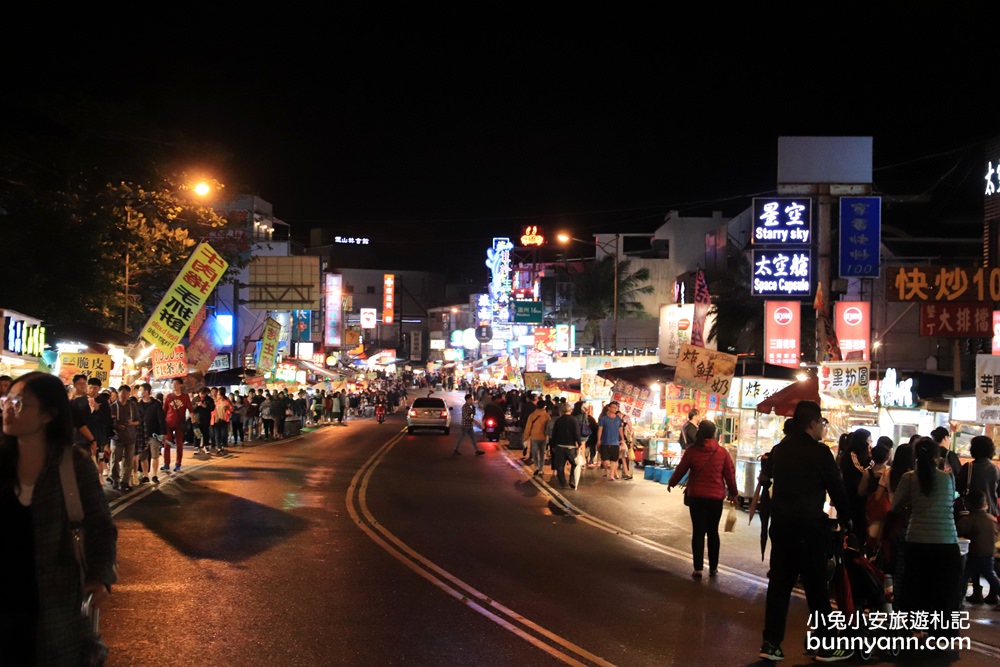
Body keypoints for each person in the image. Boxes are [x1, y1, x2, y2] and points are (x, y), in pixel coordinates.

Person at [0, 371, 118, 665]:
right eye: (7, 400)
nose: (8, 409)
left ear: (48, 415)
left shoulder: (73, 466)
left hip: (55, 608)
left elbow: (101, 526)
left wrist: (100, 576)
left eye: (19, 403)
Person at [758, 401, 851, 663]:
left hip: (782, 526)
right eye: (822, 423)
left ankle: (771, 643)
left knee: (779, 585)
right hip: (809, 528)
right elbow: (837, 489)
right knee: (816, 587)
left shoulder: (780, 450)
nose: (823, 428)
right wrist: (848, 518)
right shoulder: (820, 454)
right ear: (812, 423)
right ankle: (826, 645)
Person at [891, 437, 962, 641]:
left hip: (917, 541)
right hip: (947, 541)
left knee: (916, 587)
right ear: (936, 456)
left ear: (916, 456)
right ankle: (944, 633)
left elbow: (894, 506)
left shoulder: (908, 478)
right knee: (945, 590)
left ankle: (916, 629)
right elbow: (951, 501)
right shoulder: (948, 478)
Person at [667, 419, 738, 578]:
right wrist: (734, 494)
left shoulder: (693, 451)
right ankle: (713, 567)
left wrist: (672, 482)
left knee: (698, 532)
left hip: (697, 497)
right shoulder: (722, 452)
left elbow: (681, 469)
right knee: (713, 532)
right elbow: (729, 475)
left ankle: (698, 568)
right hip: (715, 498)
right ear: (714, 433)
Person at [957, 489, 1000, 606]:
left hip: (975, 554)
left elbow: (959, 530)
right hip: (989, 554)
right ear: (984, 503)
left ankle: (958, 600)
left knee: (964, 577)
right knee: (991, 577)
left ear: (969, 504)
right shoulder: (991, 518)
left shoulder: (970, 519)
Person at [839, 428, 873, 547]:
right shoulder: (851, 455)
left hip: (860, 499)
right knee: (855, 530)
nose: (871, 444)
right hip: (852, 498)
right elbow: (860, 470)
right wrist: (872, 466)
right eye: (869, 440)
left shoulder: (864, 456)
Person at [109, 384, 141, 492]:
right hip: (116, 437)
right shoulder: (113, 406)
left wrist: (131, 423)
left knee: (128, 461)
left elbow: (138, 421)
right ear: (118, 393)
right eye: (122, 393)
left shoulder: (132, 406)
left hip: (130, 437)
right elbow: (109, 422)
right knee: (115, 460)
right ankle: (115, 480)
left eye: (127, 393)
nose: (124, 395)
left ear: (129, 394)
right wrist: (116, 426)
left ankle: (125, 481)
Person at [549, 401, 584, 489]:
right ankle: (572, 480)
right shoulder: (573, 420)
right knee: (574, 463)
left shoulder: (558, 421)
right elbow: (576, 433)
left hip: (560, 446)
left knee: (560, 466)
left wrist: (552, 445)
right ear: (570, 410)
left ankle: (562, 482)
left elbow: (554, 434)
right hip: (571, 447)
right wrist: (579, 443)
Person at [137, 382, 166, 484]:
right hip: (142, 435)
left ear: (146, 391)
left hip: (154, 433)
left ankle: (154, 475)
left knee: (155, 455)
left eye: (140, 390)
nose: (139, 392)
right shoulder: (138, 404)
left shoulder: (156, 404)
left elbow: (161, 419)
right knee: (143, 456)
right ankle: (145, 475)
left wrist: (163, 433)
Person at [162, 378, 193, 472]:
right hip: (168, 423)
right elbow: (164, 410)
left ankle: (178, 464)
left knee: (179, 444)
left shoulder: (185, 397)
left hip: (180, 424)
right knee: (167, 444)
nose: (174, 386)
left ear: (180, 385)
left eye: (176, 384)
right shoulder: (168, 397)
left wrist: (193, 420)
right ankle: (166, 464)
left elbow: (191, 410)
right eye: (173, 384)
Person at [597, 401, 625, 482]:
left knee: (614, 460)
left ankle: (611, 475)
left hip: (615, 442)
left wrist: (622, 439)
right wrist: (599, 440)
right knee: (605, 461)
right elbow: (600, 429)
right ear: (609, 408)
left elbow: (620, 430)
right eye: (613, 407)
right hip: (605, 442)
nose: (614, 409)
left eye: (616, 408)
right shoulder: (603, 418)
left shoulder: (618, 419)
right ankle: (608, 470)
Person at [524, 398, 551, 477]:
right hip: (543, 437)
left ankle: (536, 467)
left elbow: (528, 427)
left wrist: (525, 438)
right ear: (544, 407)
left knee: (535, 453)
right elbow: (548, 428)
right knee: (542, 454)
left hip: (534, 437)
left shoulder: (532, 415)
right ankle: (541, 469)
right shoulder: (547, 416)